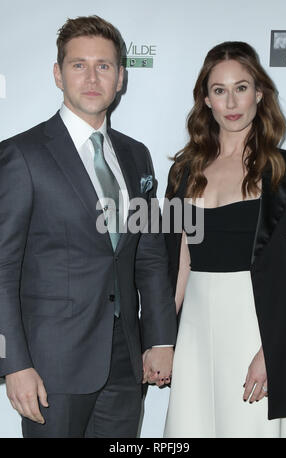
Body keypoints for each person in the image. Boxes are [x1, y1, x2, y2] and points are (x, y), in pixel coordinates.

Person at [0, 15, 176, 438]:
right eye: (79, 65)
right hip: (49, 366)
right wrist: (14, 364)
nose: (93, 77)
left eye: (105, 66)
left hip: (125, 360)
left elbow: (149, 256)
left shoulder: (137, 157)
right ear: (58, 75)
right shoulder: (21, 155)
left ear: (120, 78)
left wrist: (161, 339)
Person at [163, 41, 286, 438]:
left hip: (257, 323)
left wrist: (275, 351)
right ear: (206, 99)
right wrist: (162, 339)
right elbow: (179, 261)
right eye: (219, 90)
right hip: (194, 326)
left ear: (259, 92)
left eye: (241, 87)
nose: (232, 101)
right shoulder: (182, 173)